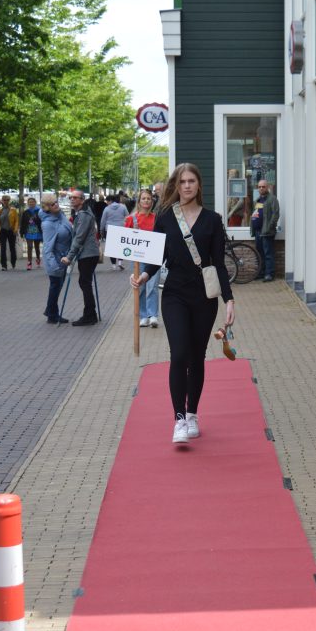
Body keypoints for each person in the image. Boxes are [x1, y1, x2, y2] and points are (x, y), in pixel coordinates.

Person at [130, 163, 235, 444]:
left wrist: (229, 299)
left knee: (196, 357)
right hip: (174, 294)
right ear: (176, 186)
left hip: (204, 297)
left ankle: (192, 414)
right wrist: (144, 276)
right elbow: (156, 257)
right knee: (179, 355)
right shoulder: (165, 217)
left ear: (199, 185)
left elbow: (219, 264)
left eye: (191, 181)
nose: (187, 186)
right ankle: (178, 419)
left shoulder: (213, 220)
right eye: (182, 182)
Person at [60, 190, 100, 326]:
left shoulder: (83, 215)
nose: (72, 199)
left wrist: (69, 257)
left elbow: (79, 237)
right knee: (85, 283)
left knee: (85, 283)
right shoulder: (82, 213)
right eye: (71, 197)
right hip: (87, 253)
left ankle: (90, 315)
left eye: (75, 198)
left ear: (82, 200)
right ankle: (91, 314)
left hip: (88, 254)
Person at [125, 188, 160, 327]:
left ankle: (153, 315)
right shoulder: (131, 219)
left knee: (153, 287)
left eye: (148, 198)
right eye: (143, 198)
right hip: (137, 258)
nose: (146, 201)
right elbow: (124, 238)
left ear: (152, 201)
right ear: (139, 201)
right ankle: (143, 315)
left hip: (153, 256)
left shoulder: (156, 218)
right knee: (140, 286)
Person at [40, 193, 73, 324]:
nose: (56, 205)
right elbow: (48, 247)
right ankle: (52, 315)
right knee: (55, 286)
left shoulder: (61, 215)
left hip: (63, 258)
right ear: (47, 207)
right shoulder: (47, 224)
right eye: (52, 204)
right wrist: (54, 266)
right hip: (55, 260)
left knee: (57, 287)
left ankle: (50, 311)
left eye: (56, 202)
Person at [251, 180, 280, 281]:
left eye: (263, 186)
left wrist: (269, 227)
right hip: (258, 232)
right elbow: (255, 213)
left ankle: (269, 274)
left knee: (268, 254)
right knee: (260, 254)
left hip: (267, 232)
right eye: (259, 187)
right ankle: (261, 272)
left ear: (267, 187)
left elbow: (275, 214)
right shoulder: (258, 200)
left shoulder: (272, 199)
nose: (261, 188)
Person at [100, 193, 128, 270]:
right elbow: (128, 217)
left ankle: (113, 266)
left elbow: (103, 220)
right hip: (121, 228)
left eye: (107, 201)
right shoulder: (123, 207)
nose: (106, 203)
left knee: (111, 248)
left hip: (110, 229)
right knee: (120, 246)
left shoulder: (107, 209)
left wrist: (101, 230)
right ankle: (120, 263)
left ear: (110, 201)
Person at [0, 195, 19, 271]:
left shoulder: (13, 210)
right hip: (2, 231)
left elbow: (16, 221)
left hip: (11, 231)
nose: (6, 201)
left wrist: (15, 229)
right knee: (3, 248)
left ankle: (13, 262)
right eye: (4, 200)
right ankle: (4, 265)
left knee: (12, 247)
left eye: (7, 200)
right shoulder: (0, 210)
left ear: (9, 201)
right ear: (2, 201)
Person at [20, 197, 43, 270]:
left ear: (35, 203)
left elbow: (42, 221)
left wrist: (35, 219)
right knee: (29, 246)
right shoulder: (26, 212)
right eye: (29, 202)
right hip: (29, 231)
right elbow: (23, 222)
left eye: (32, 202)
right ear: (28, 203)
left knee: (37, 247)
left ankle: (38, 258)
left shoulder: (39, 211)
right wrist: (22, 232)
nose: (31, 203)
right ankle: (29, 263)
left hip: (37, 231)